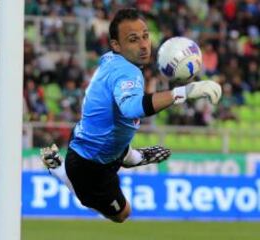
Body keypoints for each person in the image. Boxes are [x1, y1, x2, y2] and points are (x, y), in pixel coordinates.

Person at [40, 8, 222, 223]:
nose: (144, 45)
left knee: (117, 132)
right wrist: (184, 92)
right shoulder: (127, 72)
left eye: (145, 36)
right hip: (90, 167)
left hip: (89, 140)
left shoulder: (112, 60)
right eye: (133, 39)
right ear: (116, 45)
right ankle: (60, 172)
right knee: (122, 214)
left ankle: (131, 157)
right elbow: (131, 108)